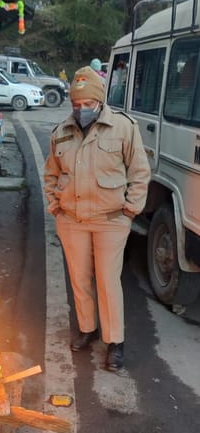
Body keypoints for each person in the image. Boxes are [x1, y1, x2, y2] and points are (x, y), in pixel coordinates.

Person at [44, 66, 150, 371]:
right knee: (79, 279)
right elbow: (51, 174)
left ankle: (115, 341)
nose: (82, 109)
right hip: (72, 220)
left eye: (88, 103)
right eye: (76, 104)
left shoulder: (123, 127)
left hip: (111, 220)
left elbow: (140, 172)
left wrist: (130, 211)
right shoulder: (61, 132)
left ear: (100, 101)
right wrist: (55, 207)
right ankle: (87, 328)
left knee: (107, 280)